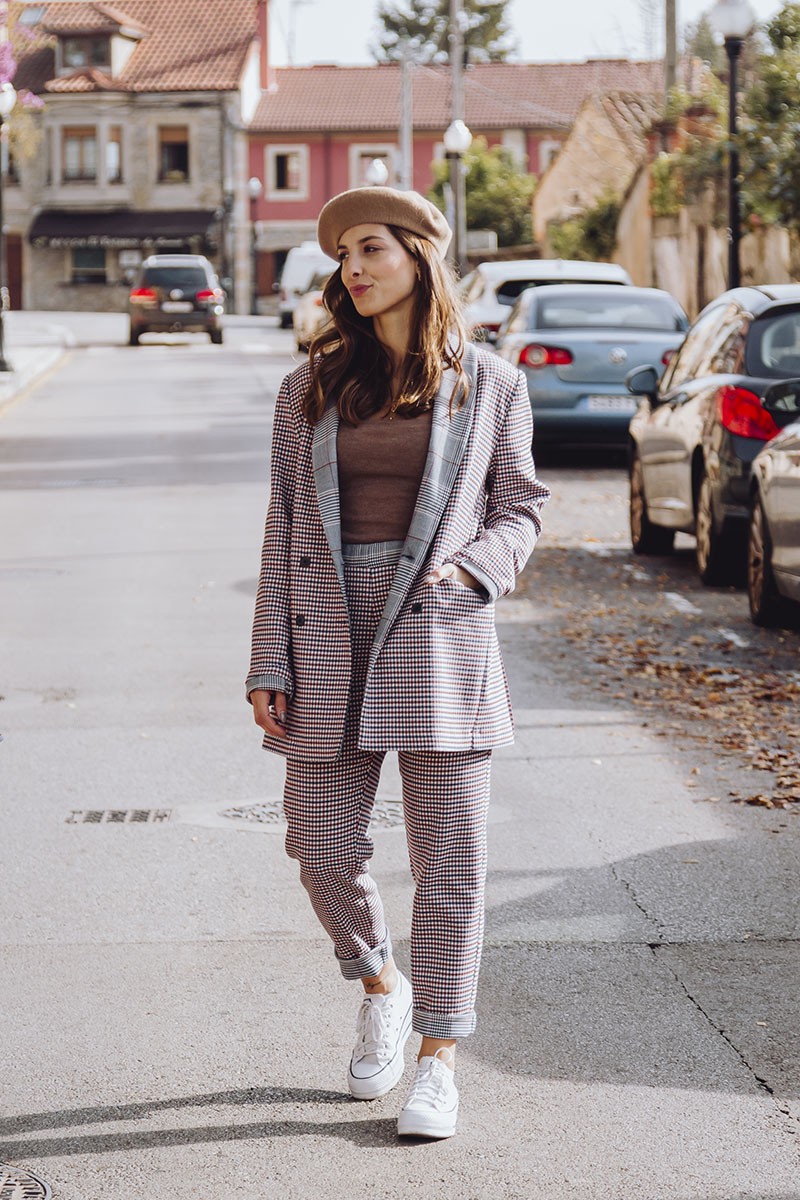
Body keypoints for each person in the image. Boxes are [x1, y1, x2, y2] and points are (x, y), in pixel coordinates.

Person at [246, 186, 550, 1140]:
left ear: (420, 254)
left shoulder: (490, 382)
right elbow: (285, 525)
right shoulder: (312, 386)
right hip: (327, 628)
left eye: (371, 249)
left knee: (452, 862)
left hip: (438, 631)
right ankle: (381, 979)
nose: (354, 269)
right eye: (344, 257)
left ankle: (438, 1059)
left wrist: (476, 571)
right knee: (319, 843)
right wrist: (269, 657)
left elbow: (522, 504)